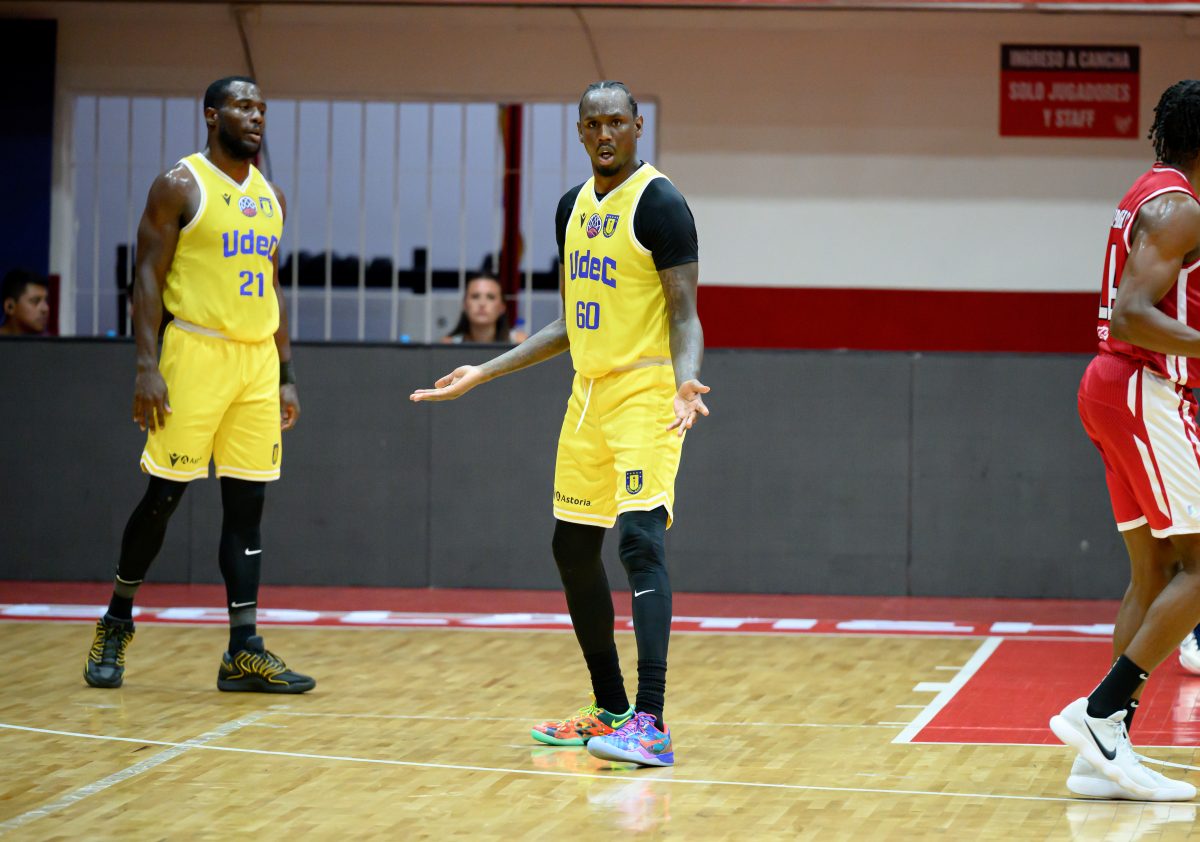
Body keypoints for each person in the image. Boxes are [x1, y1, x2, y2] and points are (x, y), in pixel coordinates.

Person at [412, 81, 708, 767]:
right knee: (572, 548)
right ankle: (610, 709)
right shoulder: (571, 208)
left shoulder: (660, 203)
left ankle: (651, 722)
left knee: (639, 541)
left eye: (616, 122)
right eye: (592, 124)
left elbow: (686, 313)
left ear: (637, 126)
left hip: (647, 391)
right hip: (588, 396)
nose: (605, 134)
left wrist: (686, 378)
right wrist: (484, 371)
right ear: (579, 132)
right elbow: (572, 323)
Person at [82, 76, 314, 694]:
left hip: (256, 362)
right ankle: (116, 620)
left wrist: (286, 373)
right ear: (212, 115)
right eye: (243, 105)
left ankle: (243, 649)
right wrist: (146, 365)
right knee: (164, 495)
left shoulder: (271, 196)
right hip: (194, 351)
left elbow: (269, 284)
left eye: (262, 107)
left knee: (248, 507)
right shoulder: (180, 185)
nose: (256, 116)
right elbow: (148, 277)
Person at [1048, 80, 1200, 801]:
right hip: (1142, 386)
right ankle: (1102, 713)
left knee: (1156, 571)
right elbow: (1132, 313)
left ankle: (1101, 756)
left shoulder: (1153, 192)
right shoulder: (1180, 207)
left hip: (1113, 387)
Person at [442, 274, 528, 344]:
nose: (482, 303)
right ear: (465, 304)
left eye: (490, 297)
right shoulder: (449, 345)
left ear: (502, 307)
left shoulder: (520, 343)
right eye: (475, 296)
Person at [0, 269, 50, 336]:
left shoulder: (50, 341)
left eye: (47, 301)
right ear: (10, 306)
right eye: (35, 301)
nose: (46, 309)